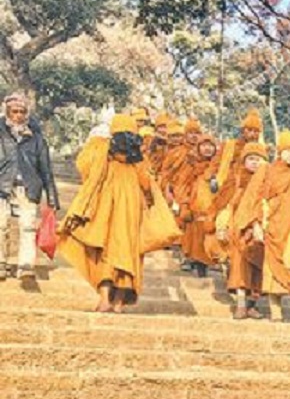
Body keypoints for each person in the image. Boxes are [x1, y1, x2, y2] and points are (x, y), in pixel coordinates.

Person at [57, 114, 162, 313]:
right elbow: (147, 184)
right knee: (127, 253)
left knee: (107, 252)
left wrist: (96, 143)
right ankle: (118, 303)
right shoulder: (138, 157)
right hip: (131, 209)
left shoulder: (104, 150)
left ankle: (105, 299)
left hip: (107, 209)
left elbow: (84, 168)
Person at [233, 130, 290, 322]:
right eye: (288, 150)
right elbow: (254, 198)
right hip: (272, 228)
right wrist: (255, 224)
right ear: (279, 152)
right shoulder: (267, 171)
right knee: (272, 271)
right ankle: (276, 312)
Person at [0, 92, 60, 280]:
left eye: (21, 112)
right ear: (7, 113)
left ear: (27, 114)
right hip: (2, 186)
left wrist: (52, 198)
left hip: (28, 189)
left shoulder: (37, 140)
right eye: (14, 111)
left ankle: (26, 265)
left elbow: (46, 170)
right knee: (1, 225)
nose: (17, 115)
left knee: (27, 226)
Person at [223, 142, 269, 319]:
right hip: (238, 229)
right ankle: (241, 304)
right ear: (244, 161)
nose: (255, 163)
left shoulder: (267, 181)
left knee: (256, 269)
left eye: (259, 159)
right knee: (239, 267)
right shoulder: (236, 179)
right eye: (251, 159)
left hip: (259, 230)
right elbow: (224, 202)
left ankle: (252, 305)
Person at [174, 133, 218, 277]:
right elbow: (182, 185)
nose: (207, 149)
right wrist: (184, 204)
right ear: (199, 147)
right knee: (195, 240)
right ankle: (195, 264)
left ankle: (203, 267)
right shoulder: (191, 164)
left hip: (212, 209)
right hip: (195, 208)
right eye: (204, 145)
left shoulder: (218, 165)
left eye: (210, 146)